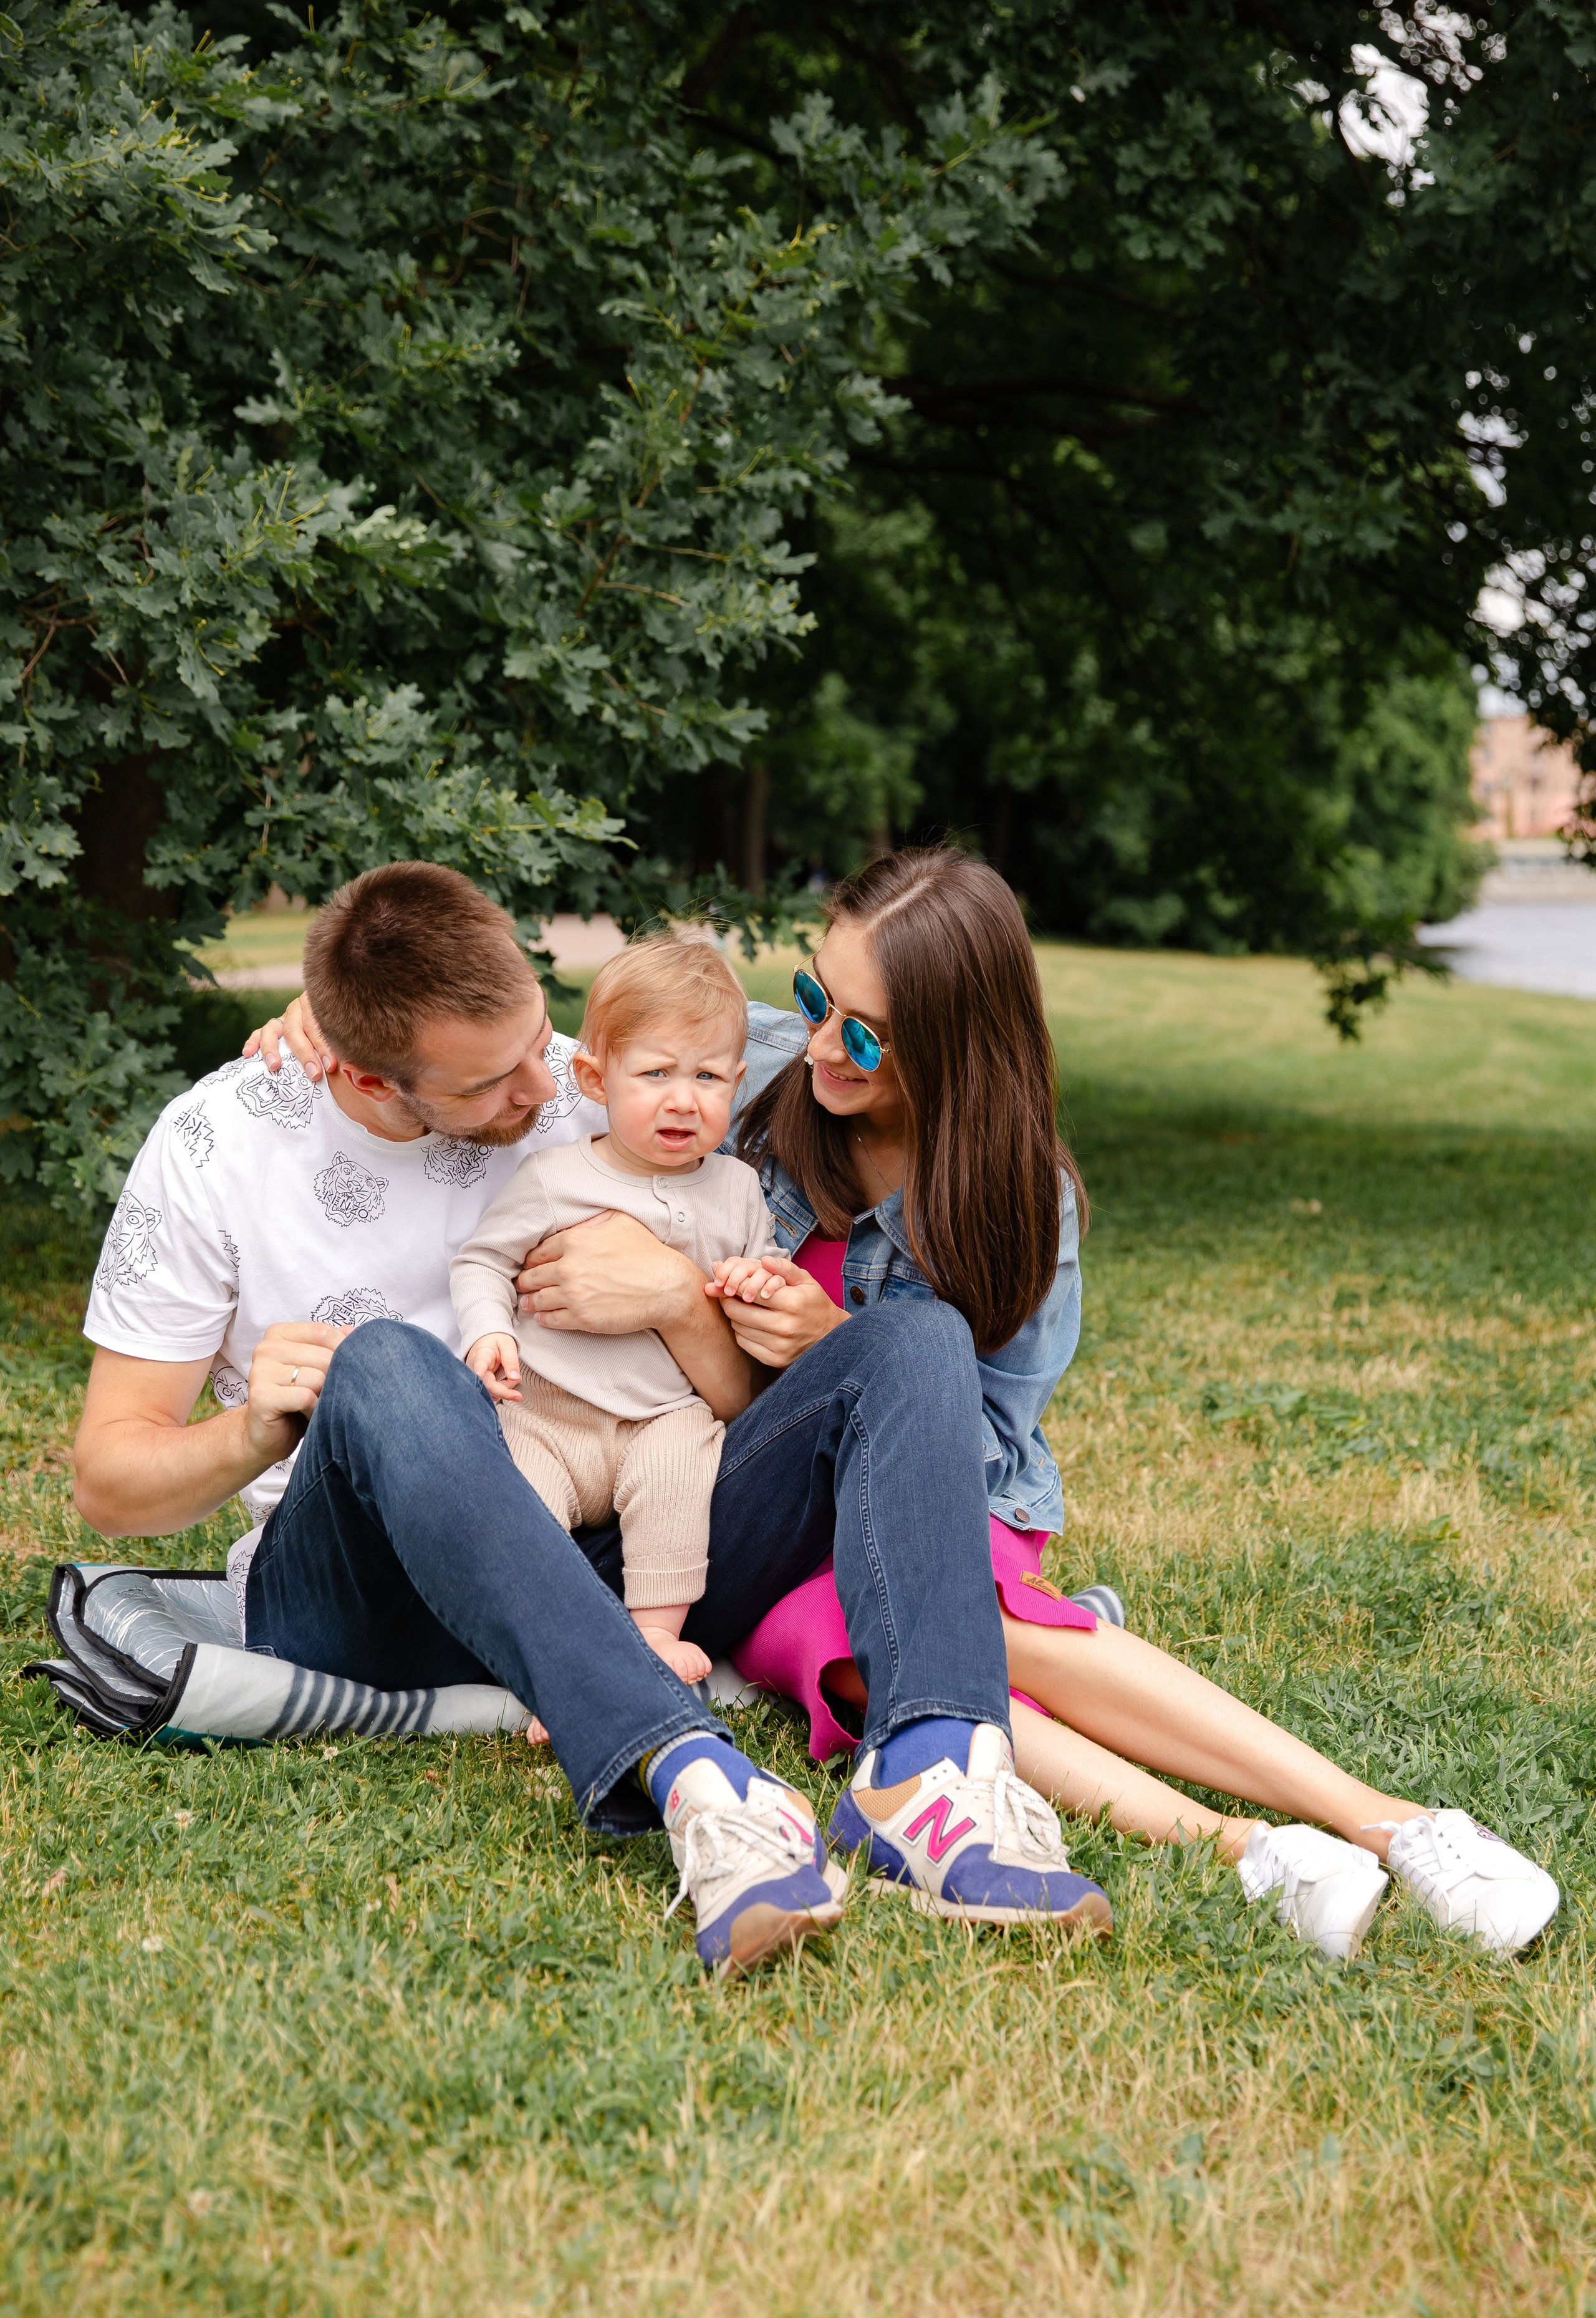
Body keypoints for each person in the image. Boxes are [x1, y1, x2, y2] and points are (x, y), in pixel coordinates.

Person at [72, 861, 1110, 1976]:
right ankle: (697, 1783)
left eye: (543, 1041)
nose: (544, 1087)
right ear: (371, 1078)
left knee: (911, 1337)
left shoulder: (597, 1080)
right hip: (376, 1595)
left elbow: (716, 1030)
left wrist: (678, 1297)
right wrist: (258, 1430)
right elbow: (108, 1484)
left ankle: (933, 1770)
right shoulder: (216, 1147)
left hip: (634, 1531)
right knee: (391, 1364)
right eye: (492, 1084)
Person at [688, 846, 1560, 1961]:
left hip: (938, 1496)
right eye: (819, 998)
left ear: (957, 1043)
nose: (819, 1044)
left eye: (863, 1032)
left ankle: (1393, 1827)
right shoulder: (745, 1070)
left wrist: (840, 1350)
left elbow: (983, 1447)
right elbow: (557, 1071)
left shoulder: (1018, 1199)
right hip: (751, 1519)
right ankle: (1244, 1847)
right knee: (869, 1639)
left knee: (945, 1622)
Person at [451, 935, 780, 1685]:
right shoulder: (554, 1178)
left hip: (660, 1414)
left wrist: (756, 1280)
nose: (682, 1098)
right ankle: (553, 1649)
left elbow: (768, 1268)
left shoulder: (737, 1188)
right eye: (656, 1072)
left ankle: (653, 1639)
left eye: (706, 1077)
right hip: (549, 1413)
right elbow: (483, 1260)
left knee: (680, 1474)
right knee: (519, 1505)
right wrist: (490, 1331)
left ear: (735, 1082)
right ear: (596, 1079)